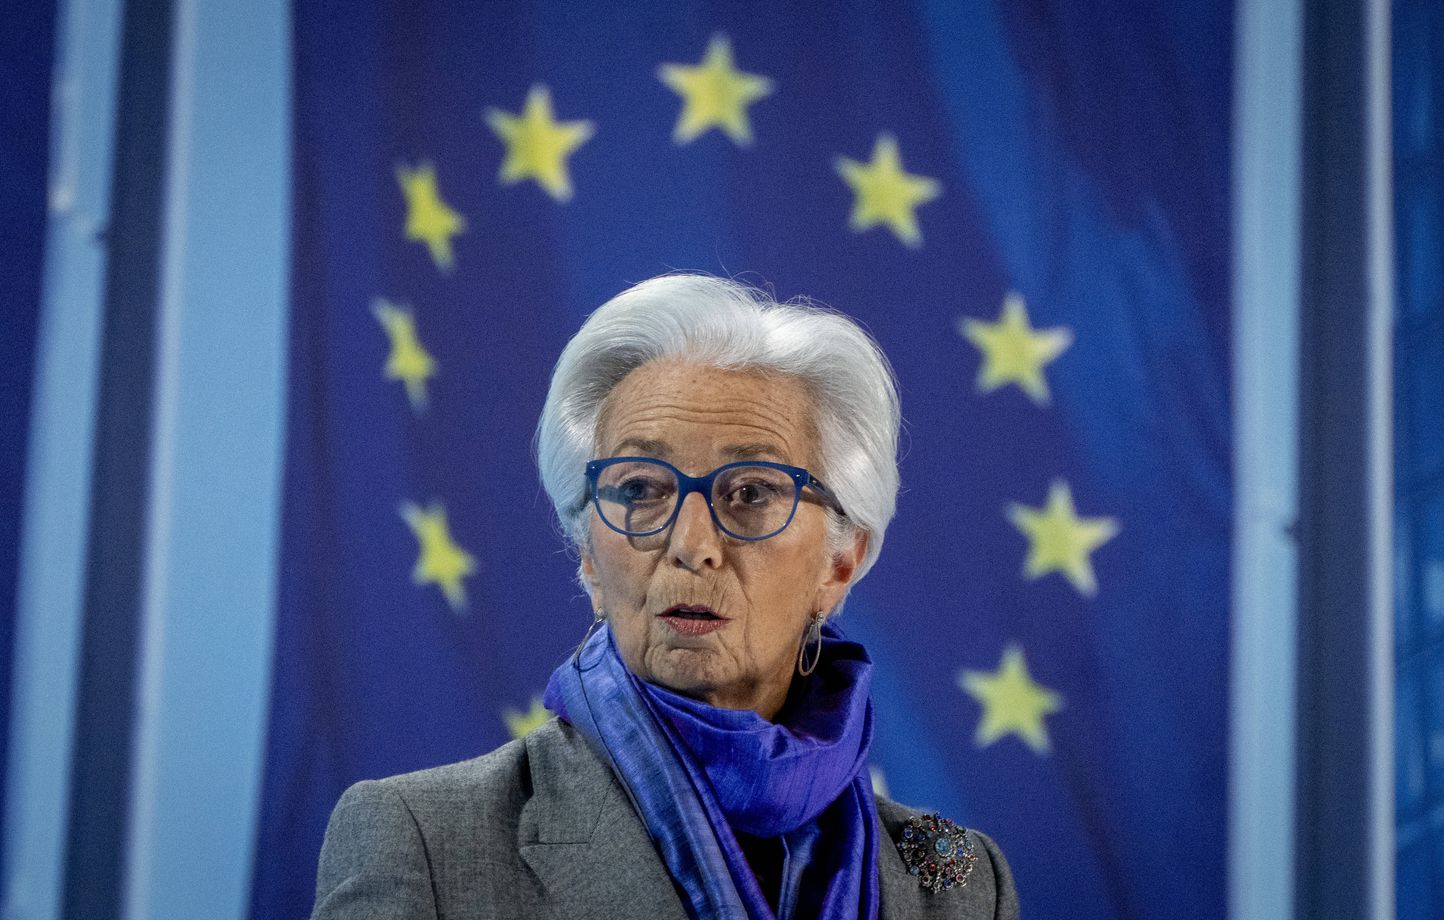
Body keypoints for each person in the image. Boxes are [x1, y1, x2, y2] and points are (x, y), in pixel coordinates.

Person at [311, 274, 1020, 920]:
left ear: (840, 562)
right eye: (640, 490)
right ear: (589, 554)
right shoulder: (421, 838)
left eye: (750, 493)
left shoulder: (955, 871)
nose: (691, 543)